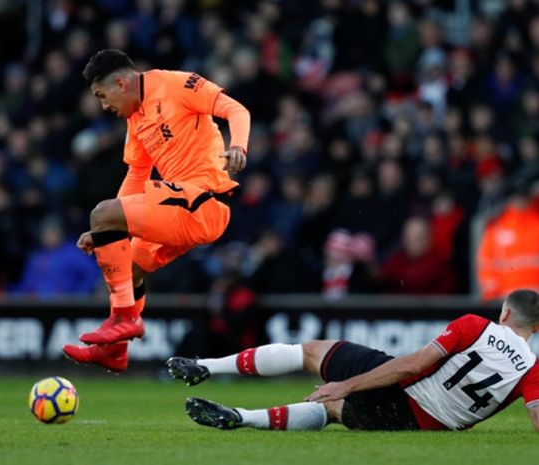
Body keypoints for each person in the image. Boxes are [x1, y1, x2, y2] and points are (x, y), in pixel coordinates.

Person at [62, 49, 250, 372]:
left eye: (101, 95)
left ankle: (123, 319)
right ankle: (115, 350)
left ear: (120, 84)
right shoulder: (136, 119)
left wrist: (239, 146)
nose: (103, 106)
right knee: (129, 265)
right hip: (182, 206)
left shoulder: (176, 85)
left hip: (205, 198)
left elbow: (236, 109)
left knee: (104, 216)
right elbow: (136, 176)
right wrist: (111, 225)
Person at [167, 289, 539, 432]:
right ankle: (243, 418)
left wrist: (348, 383)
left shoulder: (476, 325)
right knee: (332, 411)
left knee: (311, 352)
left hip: (405, 390)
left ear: (504, 312)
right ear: (536, 328)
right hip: (422, 426)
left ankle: (209, 366)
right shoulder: (533, 369)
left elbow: (413, 366)